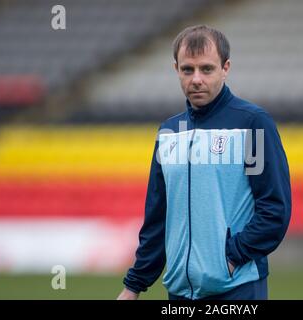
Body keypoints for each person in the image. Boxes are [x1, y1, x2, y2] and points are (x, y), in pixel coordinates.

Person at [117, 25, 291, 300]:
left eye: (206, 69)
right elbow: (158, 218)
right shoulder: (169, 133)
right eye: (188, 69)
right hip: (180, 293)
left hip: (237, 290)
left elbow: (275, 210)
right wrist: (134, 286)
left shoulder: (252, 124)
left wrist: (230, 258)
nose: (196, 79)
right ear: (176, 69)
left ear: (226, 68)